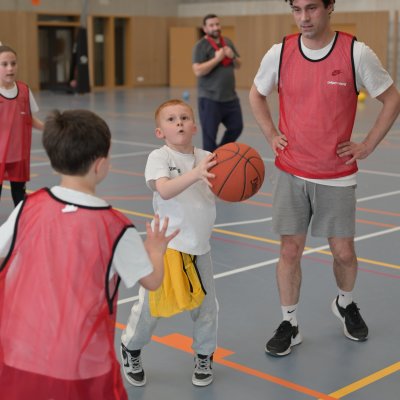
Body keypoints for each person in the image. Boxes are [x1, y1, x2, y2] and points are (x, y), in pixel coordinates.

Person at [249, 0, 400, 357]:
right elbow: (256, 94)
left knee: (344, 253)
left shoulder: (356, 53)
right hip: (291, 170)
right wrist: (271, 133)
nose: (303, 17)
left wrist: (367, 145)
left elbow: (392, 99)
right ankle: (289, 323)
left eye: (312, 8)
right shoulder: (280, 52)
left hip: (337, 174)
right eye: (296, 9)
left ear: (330, 6)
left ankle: (345, 303)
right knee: (289, 250)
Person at [0, 109, 178, 399]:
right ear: (101, 164)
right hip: (81, 365)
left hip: (21, 353)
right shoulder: (116, 227)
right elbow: (152, 281)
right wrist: (156, 250)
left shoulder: (27, 208)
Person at [121, 99, 219, 387]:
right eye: (171, 119)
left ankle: (204, 355)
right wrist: (196, 173)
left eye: (184, 118)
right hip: (168, 247)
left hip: (200, 247)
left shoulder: (208, 156)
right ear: (160, 132)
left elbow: (224, 187)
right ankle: (131, 347)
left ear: (194, 126)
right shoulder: (159, 157)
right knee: (151, 308)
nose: (179, 122)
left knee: (207, 308)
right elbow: (164, 190)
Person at [0, 44, 44, 207]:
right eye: (4, 64)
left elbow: (29, 119)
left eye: (13, 63)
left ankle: (21, 220)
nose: (10, 68)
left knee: (20, 198)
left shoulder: (24, 90)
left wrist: (50, 128)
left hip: (18, 155)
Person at [192, 14, 243, 152]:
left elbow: (239, 65)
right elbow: (197, 71)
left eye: (217, 24)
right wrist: (217, 59)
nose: (215, 27)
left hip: (230, 98)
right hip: (210, 99)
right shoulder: (200, 46)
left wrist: (233, 56)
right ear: (205, 28)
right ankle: (210, 162)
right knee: (209, 139)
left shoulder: (227, 42)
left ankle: (219, 153)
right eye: (211, 25)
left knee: (236, 127)